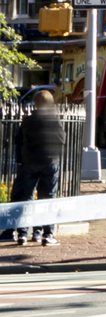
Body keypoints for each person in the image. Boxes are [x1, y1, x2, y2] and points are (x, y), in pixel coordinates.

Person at [4, 91, 66, 247]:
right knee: (47, 198)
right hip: (50, 161)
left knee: (27, 197)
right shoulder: (54, 119)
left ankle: (22, 234)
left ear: (35, 104)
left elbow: (20, 141)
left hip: (30, 161)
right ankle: (46, 234)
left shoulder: (27, 120)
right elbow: (62, 140)